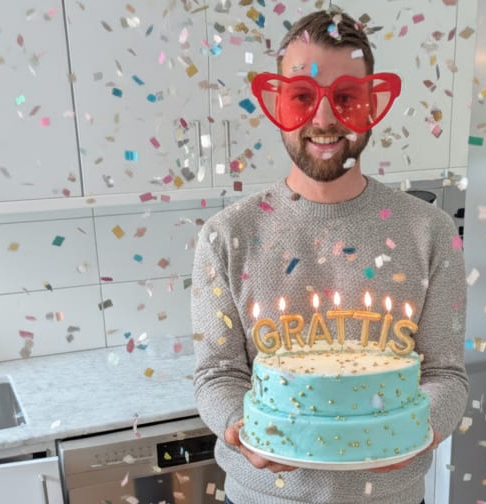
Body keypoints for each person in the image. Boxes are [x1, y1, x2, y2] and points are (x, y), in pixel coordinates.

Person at [191, 9, 467, 504]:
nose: (323, 120)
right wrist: (238, 427)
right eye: (303, 97)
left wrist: (416, 430)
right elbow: (217, 373)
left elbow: (445, 374)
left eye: (345, 98)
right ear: (279, 103)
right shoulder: (227, 236)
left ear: (371, 103)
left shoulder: (430, 232)